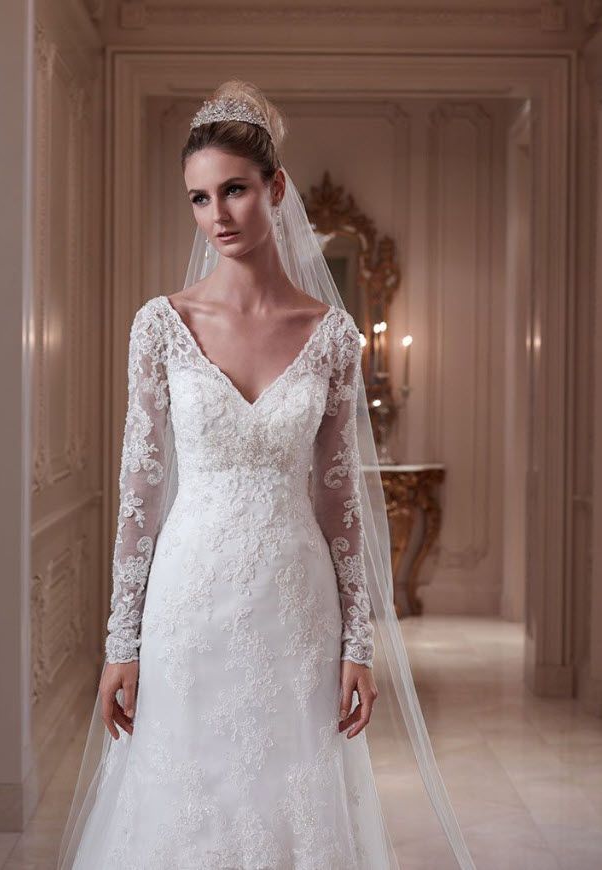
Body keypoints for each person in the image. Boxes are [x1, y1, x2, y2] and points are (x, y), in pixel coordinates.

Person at [57, 80, 477, 869]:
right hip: (187, 601)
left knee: (291, 797)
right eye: (198, 197)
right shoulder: (160, 327)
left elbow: (339, 500)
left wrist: (358, 644)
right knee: (186, 796)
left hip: (295, 603)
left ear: (276, 190)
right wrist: (122, 642)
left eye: (235, 190)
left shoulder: (331, 337)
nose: (216, 214)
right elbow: (140, 497)